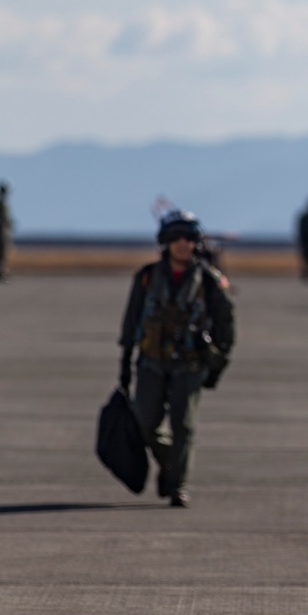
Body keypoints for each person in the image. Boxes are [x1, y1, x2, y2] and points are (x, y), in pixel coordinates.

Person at [118, 210, 235, 508]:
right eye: (176, 238)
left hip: (190, 363)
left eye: (188, 238)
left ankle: (177, 486)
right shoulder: (146, 277)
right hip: (151, 361)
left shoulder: (209, 281)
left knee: (183, 426)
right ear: (165, 242)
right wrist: (125, 361)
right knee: (145, 422)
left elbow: (226, 325)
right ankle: (170, 461)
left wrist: (217, 362)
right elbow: (131, 320)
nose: (183, 244)